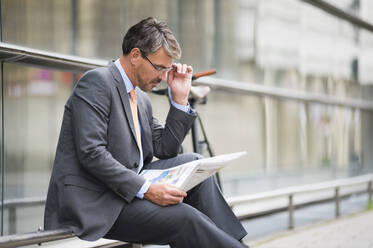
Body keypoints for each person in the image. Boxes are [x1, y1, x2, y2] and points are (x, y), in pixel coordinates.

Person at [44, 17, 248, 248]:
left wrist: (180, 99)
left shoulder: (140, 98)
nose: (162, 76)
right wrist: (148, 190)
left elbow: (165, 149)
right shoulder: (97, 83)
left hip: (126, 191)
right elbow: (92, 153)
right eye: (159, 68)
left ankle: (238, 244)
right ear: (135, 56)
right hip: (98, 201)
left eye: (167, 69)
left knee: (196, 163)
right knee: (184, 217)